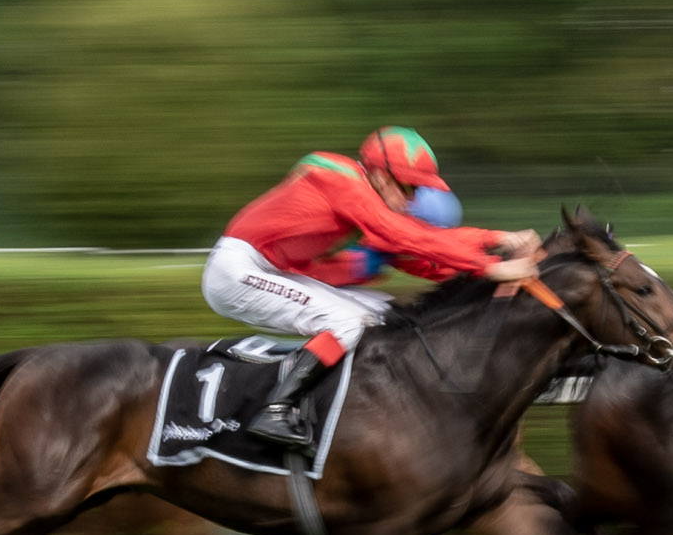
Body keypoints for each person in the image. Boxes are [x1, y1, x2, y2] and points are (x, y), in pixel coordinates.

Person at [204, 127, 540, 447]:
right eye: (409, 188)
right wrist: (490, 266)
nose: (411, 200)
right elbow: (404, 235)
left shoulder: (367, 199)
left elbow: (428, 247)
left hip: (271, 270)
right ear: (380, 176)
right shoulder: (342, 179)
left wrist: (499, 238)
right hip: (237, 269)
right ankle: (275, 409)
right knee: (346, 322)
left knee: (383, 313)